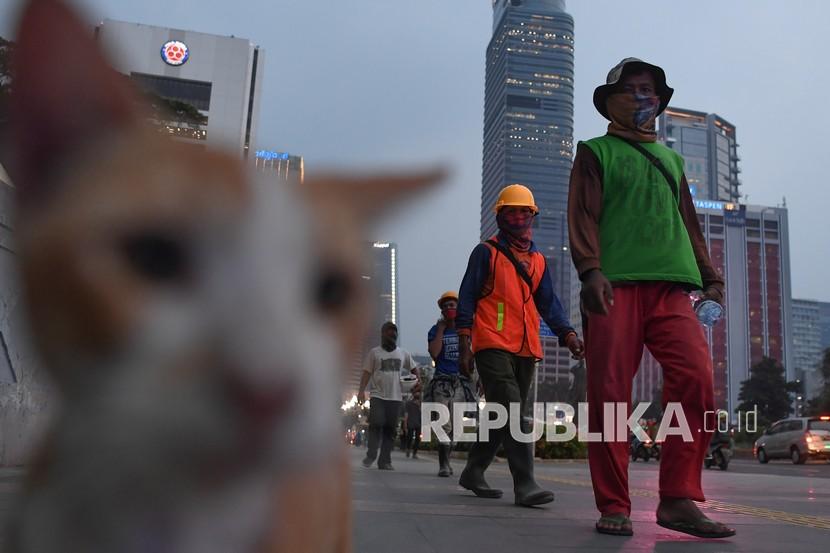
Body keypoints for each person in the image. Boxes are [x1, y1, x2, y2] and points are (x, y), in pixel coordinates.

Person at [568, 57, 735, 538]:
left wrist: (711, 278)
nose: (644, 97)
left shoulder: (672, 161)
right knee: (610, 398)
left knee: (696, 379)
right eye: (633, 88)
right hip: (614, 287)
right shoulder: (596, 151)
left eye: (651, 90)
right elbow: (582, 214)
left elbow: (690, 224)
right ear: (612, 100)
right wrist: (590, 269)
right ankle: (614, 504)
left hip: (671, 290)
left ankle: (678, 498)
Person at [456, 185, 584, 507]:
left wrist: (567, 335)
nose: (518, 217)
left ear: (532, 216)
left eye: (523, 212)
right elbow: (467, 296)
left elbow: (549, 303)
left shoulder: (539, 260)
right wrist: (465, 343)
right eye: (510, 212)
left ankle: (473, 470)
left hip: (526, 347)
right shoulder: (486, 252)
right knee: (513, 409)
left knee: (500, 414)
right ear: (500, 216)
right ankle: (525, 484)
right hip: (491, 342)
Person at [423, 291, 478, 477]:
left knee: (456, 426)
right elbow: (435, 354)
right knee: (443, 424)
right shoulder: (435, 330)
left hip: (461, 384)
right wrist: (440, 329)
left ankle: (447, 459)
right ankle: (443, 465)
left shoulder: (467, 329)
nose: (449, 308)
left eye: (452, 305)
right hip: (442, 382)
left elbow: (474, 355)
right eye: (445, 306)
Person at [358, 322, 417, 470]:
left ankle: (384, 461)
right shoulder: (374, 353)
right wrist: (361, 392)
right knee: (376, 424)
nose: (392, 335)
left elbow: (414, 368)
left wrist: (419, 383)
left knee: (390, 430)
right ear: (382, 335)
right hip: (378, 396)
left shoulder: (403, 353)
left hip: (396, 398)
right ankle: (371, 454)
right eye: (389, 332)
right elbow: (366, 373)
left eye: (394, 333)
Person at [404, 391, 422, 459]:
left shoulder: (421, 404)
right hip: (410, 422)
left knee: (418, 438)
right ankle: (408, 449)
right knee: (410, 437)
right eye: (416, 392)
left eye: (418, 393)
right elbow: (406, 414)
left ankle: (415, 453)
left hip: (418, 423)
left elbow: (423, 413)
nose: (417, 394)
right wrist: (405, 424)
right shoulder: (408, 403)